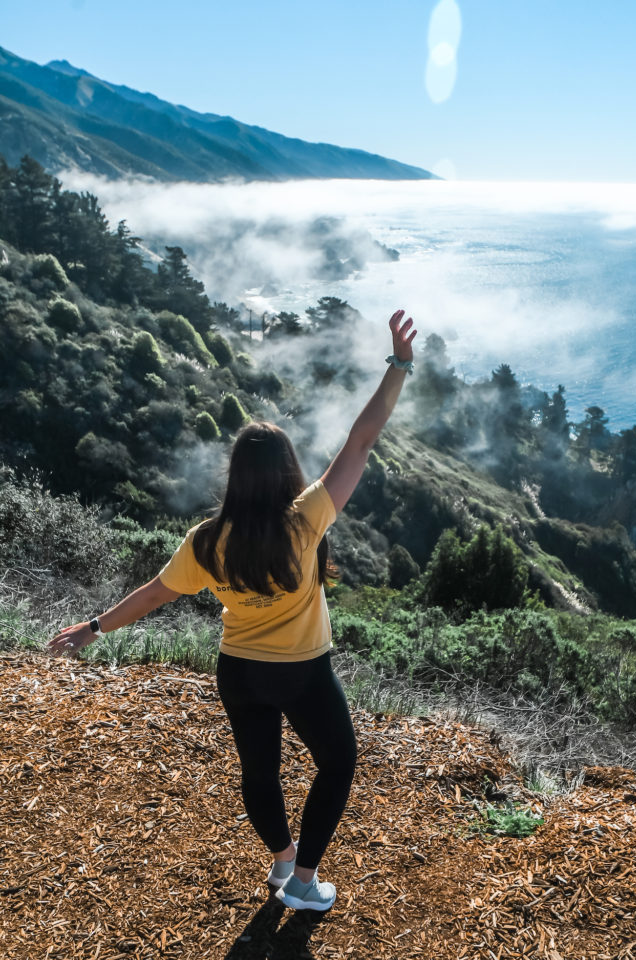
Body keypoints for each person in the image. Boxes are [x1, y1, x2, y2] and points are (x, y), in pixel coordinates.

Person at [48, 309, 417, 913]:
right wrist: (399, 365)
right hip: (301, 670)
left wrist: (93, 628)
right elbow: (362, 438)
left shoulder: (206, 541)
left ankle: (280, 861)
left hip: (239, 670)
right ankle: (302, 880)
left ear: (237, 477)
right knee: (339, 761)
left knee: (260, 771)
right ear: (286, 474)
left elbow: (154, 594)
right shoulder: (306, 521)